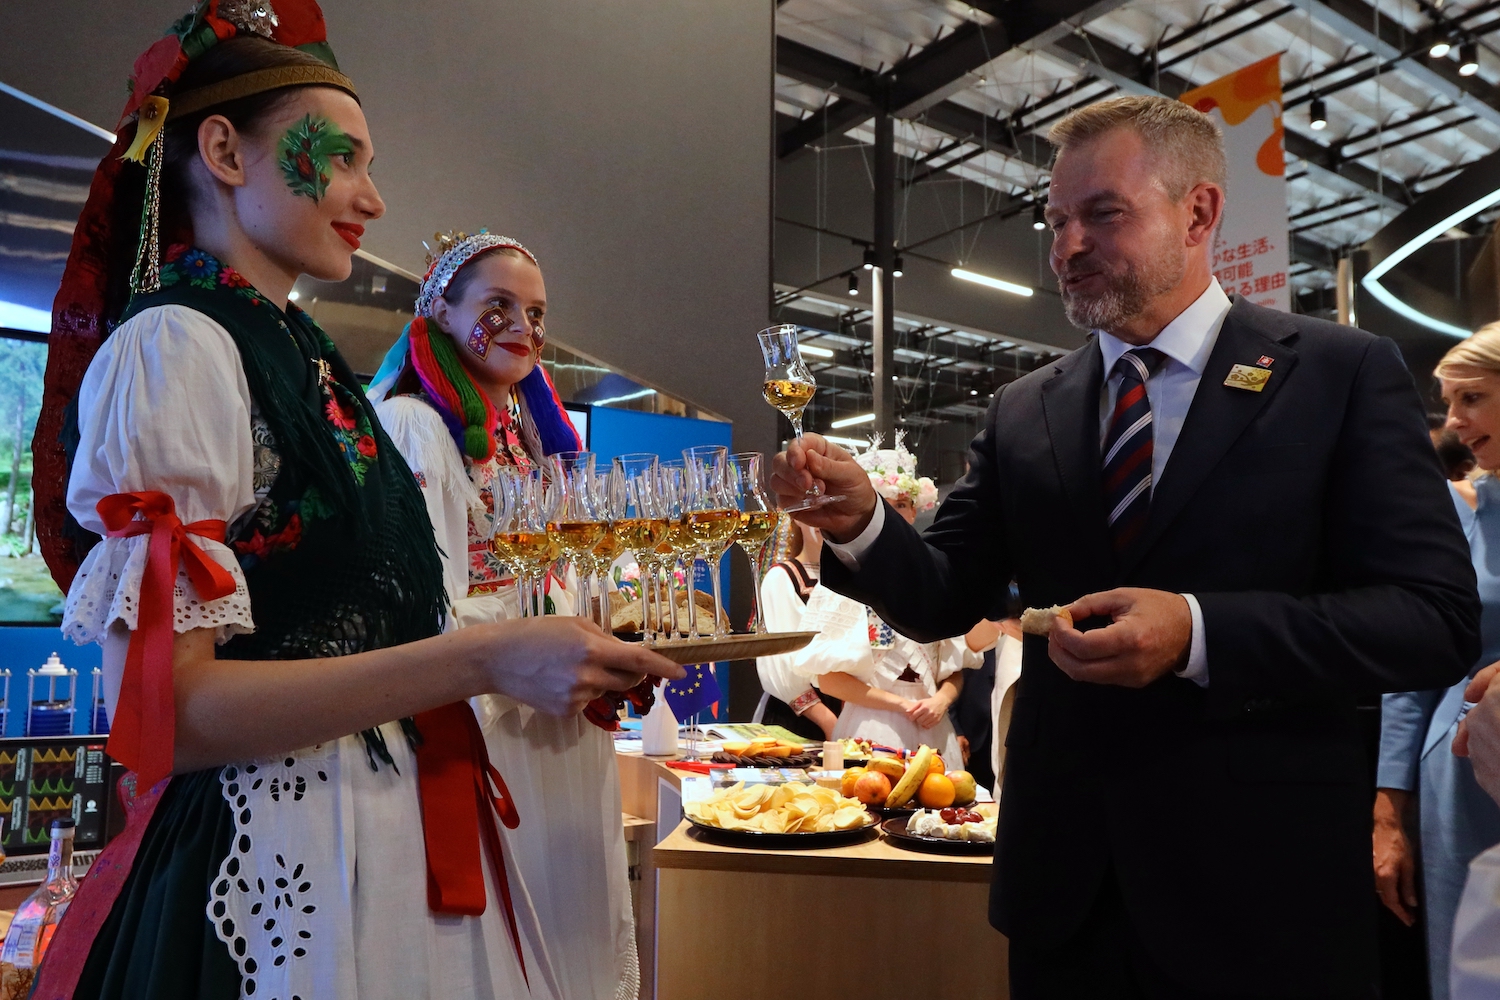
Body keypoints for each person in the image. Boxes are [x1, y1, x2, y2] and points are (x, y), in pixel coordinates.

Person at [28, 7, 678, 998]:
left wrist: (538, 657)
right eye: (340, 160)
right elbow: (167, 715)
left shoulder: (299, 353)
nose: (371, 197)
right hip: (280, 870)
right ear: (223, 152)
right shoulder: (175, 347)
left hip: (381, 856)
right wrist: (485, 658)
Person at [771, 94, 1479, 998]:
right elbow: (944, 594)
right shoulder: (1026, 408)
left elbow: (1432, 620)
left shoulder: (1338, 374)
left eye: (1103, 214)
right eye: (1056, 220)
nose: (1067, 246)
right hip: (1069, 895)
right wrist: (864, 522)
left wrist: (1198, 632)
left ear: (1199, 212)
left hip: (1262, 894)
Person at [370, 231, 643, 1000]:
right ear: (441, 312)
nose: (524, 326)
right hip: (490, 725)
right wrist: (551, 632)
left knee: (574, 938)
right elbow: (424, 609)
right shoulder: (415, 425)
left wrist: (613, 621)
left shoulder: (526, 439)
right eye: (499, 306)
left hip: (558, 719)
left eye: (537, 312)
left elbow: (558, 578)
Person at [1376, 324, 1500, 1000]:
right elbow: (1411, 668)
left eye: (1471, 398)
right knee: (1472, 967)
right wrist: (1388, 809)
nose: (1454, 421)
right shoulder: (1452, 510)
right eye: (1449, 402)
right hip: (1462, 768)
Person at [790, 436, 978, 764]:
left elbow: (954, 668)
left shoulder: (936, 574)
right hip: (870, 731)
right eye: (884, 503)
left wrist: (941, 701)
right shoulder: (842, 580)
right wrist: (899, 704)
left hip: (934, 729)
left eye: (901, 504)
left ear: (915, 509)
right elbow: (828, 678)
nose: (894, 512)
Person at [754, 518, 841, 741]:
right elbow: (781, 663)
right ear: (798, 518)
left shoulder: (853, 578)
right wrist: (829, 721)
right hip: (799, 717)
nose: (824, 519)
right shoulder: (782, 578)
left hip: (849, 708)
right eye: (814, 512)